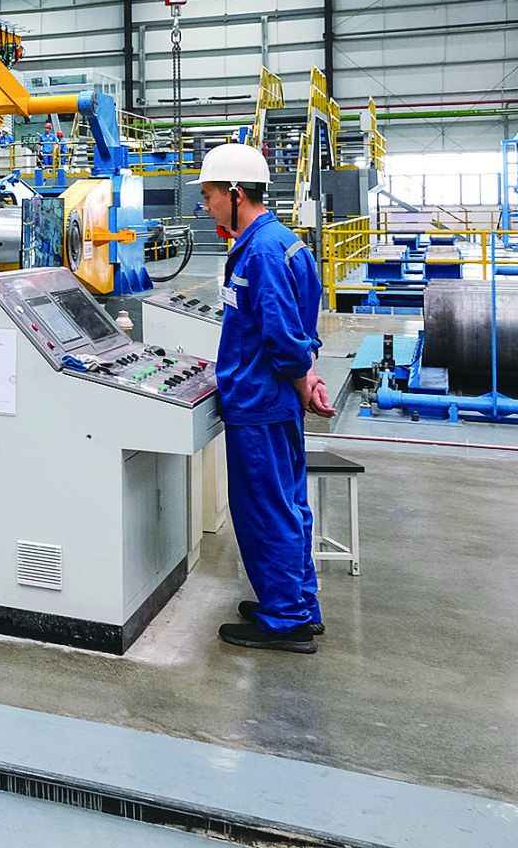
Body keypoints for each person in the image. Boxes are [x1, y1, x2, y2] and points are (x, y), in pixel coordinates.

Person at [194, 142, 336, 654]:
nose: (205, 205)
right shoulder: (280, 242)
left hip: (260, 403)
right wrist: (309, 376)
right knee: (289, 503)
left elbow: (282, 336)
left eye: (209, 195)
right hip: (272, 400)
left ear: (235, 193)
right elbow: (303, 325)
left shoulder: (262, 253)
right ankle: (297, 602)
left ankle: (284, 619)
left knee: (265, 510)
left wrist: (302, 379)